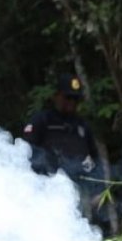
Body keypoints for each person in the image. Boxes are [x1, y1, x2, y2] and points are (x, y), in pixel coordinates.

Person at [22, 72, 102, 219]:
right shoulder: (42, 120)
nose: (72, 102)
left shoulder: (82, 125)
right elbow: (26, 152)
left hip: (79, 191)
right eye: (68, 97)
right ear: (57, 96)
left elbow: (94, 160)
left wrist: (98, 191)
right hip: (47, 189)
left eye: (75, 99)